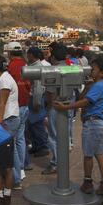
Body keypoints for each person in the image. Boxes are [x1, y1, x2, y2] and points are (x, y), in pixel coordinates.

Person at [54, 56, 103, 195]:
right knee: (100, 154)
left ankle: (88, 182)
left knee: (88, 155)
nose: (90, 71)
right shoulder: (97, 85)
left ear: (102, 72)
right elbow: (83, 97)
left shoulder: (99, 86)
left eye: (93, 69)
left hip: (93, 124)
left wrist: (65, 107)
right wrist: (87, 86)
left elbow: (85, 102)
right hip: (98, 123)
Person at [0, 55, 22, 189]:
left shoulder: (4, 80)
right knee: (12, 150)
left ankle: (14, 179)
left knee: (7, 151)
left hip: (8, 119)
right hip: (12, 117)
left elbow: (2, 102)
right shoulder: (7, 78)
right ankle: (16, 179)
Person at [6, 42, 32, 183]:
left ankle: (17, 172)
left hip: (15, 107)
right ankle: (21, 168)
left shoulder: (10, 67)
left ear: (9, 53)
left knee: (14, 141)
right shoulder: (26, 65)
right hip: (25, 105)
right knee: (21, 138)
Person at [43, 43, 70, 175]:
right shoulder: (71, 68)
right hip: (68, 105)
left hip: (55, 106)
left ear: (53, 57)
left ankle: (55, 163)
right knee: (64, 136)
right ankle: (63, 162)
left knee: (53, 136)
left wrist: (48, 104)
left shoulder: (53, 71)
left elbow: (50, 93)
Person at [26, 47, 50, 158]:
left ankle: (43, 147)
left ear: (31, 55)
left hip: (36, 98)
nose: (27, 57)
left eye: (28, 54)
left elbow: (38, 87)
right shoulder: (34, 66)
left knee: (37, 124)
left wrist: (36, 102)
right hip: (34, 98)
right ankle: (36, 146)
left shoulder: (37, 68)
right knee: (32, 124)